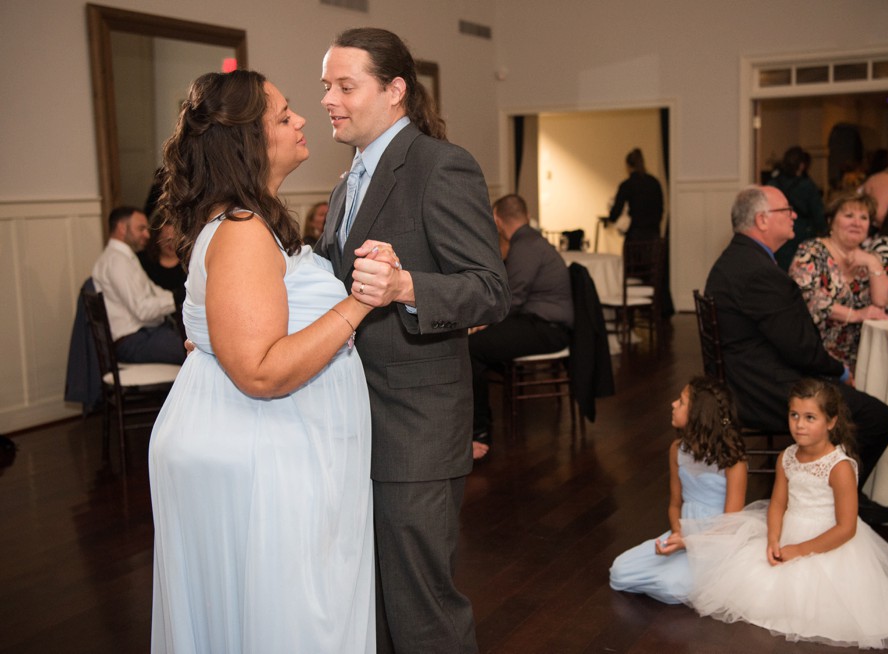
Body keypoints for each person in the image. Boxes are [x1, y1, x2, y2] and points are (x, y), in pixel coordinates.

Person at [149, 70, 379, 652]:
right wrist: (359, 302)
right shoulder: (243, 229)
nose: (301, 120)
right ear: (245, 142)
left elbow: (240, 326)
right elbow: (260, 371)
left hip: (267, 442)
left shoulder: (249, 221)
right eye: (282, 117)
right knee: (282, 618)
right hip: (258, 453)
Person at [316, 28, 510, 653]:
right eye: (327, 87)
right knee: (372, 598)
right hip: (354, 424)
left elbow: (488, 289)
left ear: (395, 90)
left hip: (416, 427)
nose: (329, 99)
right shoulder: (348, 183)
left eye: (346, 86)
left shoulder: (438, 164)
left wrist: (404, 286)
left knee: (420, 604)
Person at [683, 379, 888, 649]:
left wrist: (799, 550)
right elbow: (777, 504)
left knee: (816, 607)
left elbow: (846, 528)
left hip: (829, 541)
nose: (799, 424)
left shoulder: (839, 467)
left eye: (810, 417)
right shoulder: (786, 457)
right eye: (794, 415)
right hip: (788, 532)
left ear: (831, 422)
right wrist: (773, 538)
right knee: (756, 589)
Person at [704, 186, 888, 524]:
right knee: (879, 418)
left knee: (857, 404)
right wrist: (838, 372)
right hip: (760, 388)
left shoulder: (739, 258)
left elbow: (794, 341)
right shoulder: (758, 271)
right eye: (786, 210)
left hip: (746, 377)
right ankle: (836, 501)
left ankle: (835, 492)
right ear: (762, 220)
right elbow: (801, 348)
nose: (795, 215)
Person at [609, 376, 747, 604]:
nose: (673, 404)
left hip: (715, 540)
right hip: (683, 532)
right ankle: (678, 573)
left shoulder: (734, 463)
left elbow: (730, 525)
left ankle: (684, 577)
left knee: (671, 587)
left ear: (698, 415)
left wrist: (691, 543)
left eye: (681, 402)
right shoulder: (677, 449)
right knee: (619, 572)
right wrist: (677, 534)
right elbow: (675, 503)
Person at [469, 194, 573, 459]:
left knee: (472, 346)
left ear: (498, 221)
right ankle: (477, 424)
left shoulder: (526, 246)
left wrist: (481, 321)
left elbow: (511, 298)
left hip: (548, 329)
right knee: (477, 343)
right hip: (539, 321)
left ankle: (479, 431)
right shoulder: (531, 241)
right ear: (526, 216)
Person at [789, 192, 888, 371]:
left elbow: (881, 302)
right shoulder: (811, 251)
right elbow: (809, 300)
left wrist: (872, 263)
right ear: (830, 221)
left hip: (864, 356)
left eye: (864, 217)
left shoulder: (872, 256)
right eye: (848, 215)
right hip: (818, 355)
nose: (857, 223)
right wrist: (857, 315)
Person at [91, 206, 185, 365]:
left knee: (196, 344)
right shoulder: (117, 262)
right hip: (133, 341)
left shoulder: (124, 257)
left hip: (144, 335)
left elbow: (153, 291)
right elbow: (142, 310)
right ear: (122, 228)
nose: (147, 235)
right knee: (198, 352)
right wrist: (177, 298)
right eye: (141, 229)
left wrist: (179, 296)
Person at [766, 146, 825, 271]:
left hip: (776, 232)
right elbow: (818, 214)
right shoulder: (807, 186)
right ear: (802, 165)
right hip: (802, 233)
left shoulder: (773, 183)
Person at [606, 147, 664, 244]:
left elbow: (616, 211)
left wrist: (611, 217)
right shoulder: (654, 182)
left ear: (628, 166)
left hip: (635, 235)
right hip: (653, 235)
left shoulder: (627, 185)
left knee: (634, 259)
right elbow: (660, 209)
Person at [138, 214, 187, 327]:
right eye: (166, 239)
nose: (170, 244)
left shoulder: (189, 264)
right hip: (152, 323)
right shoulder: (143, 261)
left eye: (175, 239)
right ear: (157, 238)